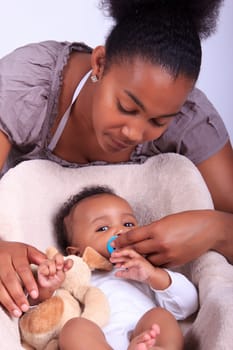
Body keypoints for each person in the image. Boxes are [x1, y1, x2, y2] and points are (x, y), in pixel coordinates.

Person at [0, 0, 232, 319]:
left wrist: (215, 228)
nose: (134, 132)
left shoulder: (190, 122)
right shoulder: (29, 83)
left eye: (159, 121)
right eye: (126, 107)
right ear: (100, 63)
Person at [32, 185, 198, 350]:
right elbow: (51, 308)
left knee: (161, 316)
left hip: (146, 337)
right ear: (76, 252)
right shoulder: (76, 275)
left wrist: (153, 275)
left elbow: (188, 306)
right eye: (103, 228)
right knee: (73, 327)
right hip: (98, 341)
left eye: (128, 224)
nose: (120, 231)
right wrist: (48, 286)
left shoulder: (146, 269)